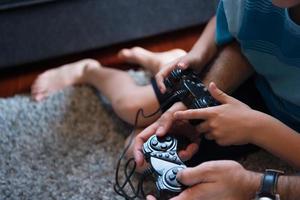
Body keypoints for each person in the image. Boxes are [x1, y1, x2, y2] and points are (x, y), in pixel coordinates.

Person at [133, 0, 300, 199]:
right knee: (138, 152)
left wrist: (251, 182)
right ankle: (163, 60)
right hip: (267, 84)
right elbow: (247, 36)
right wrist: (190, 104)